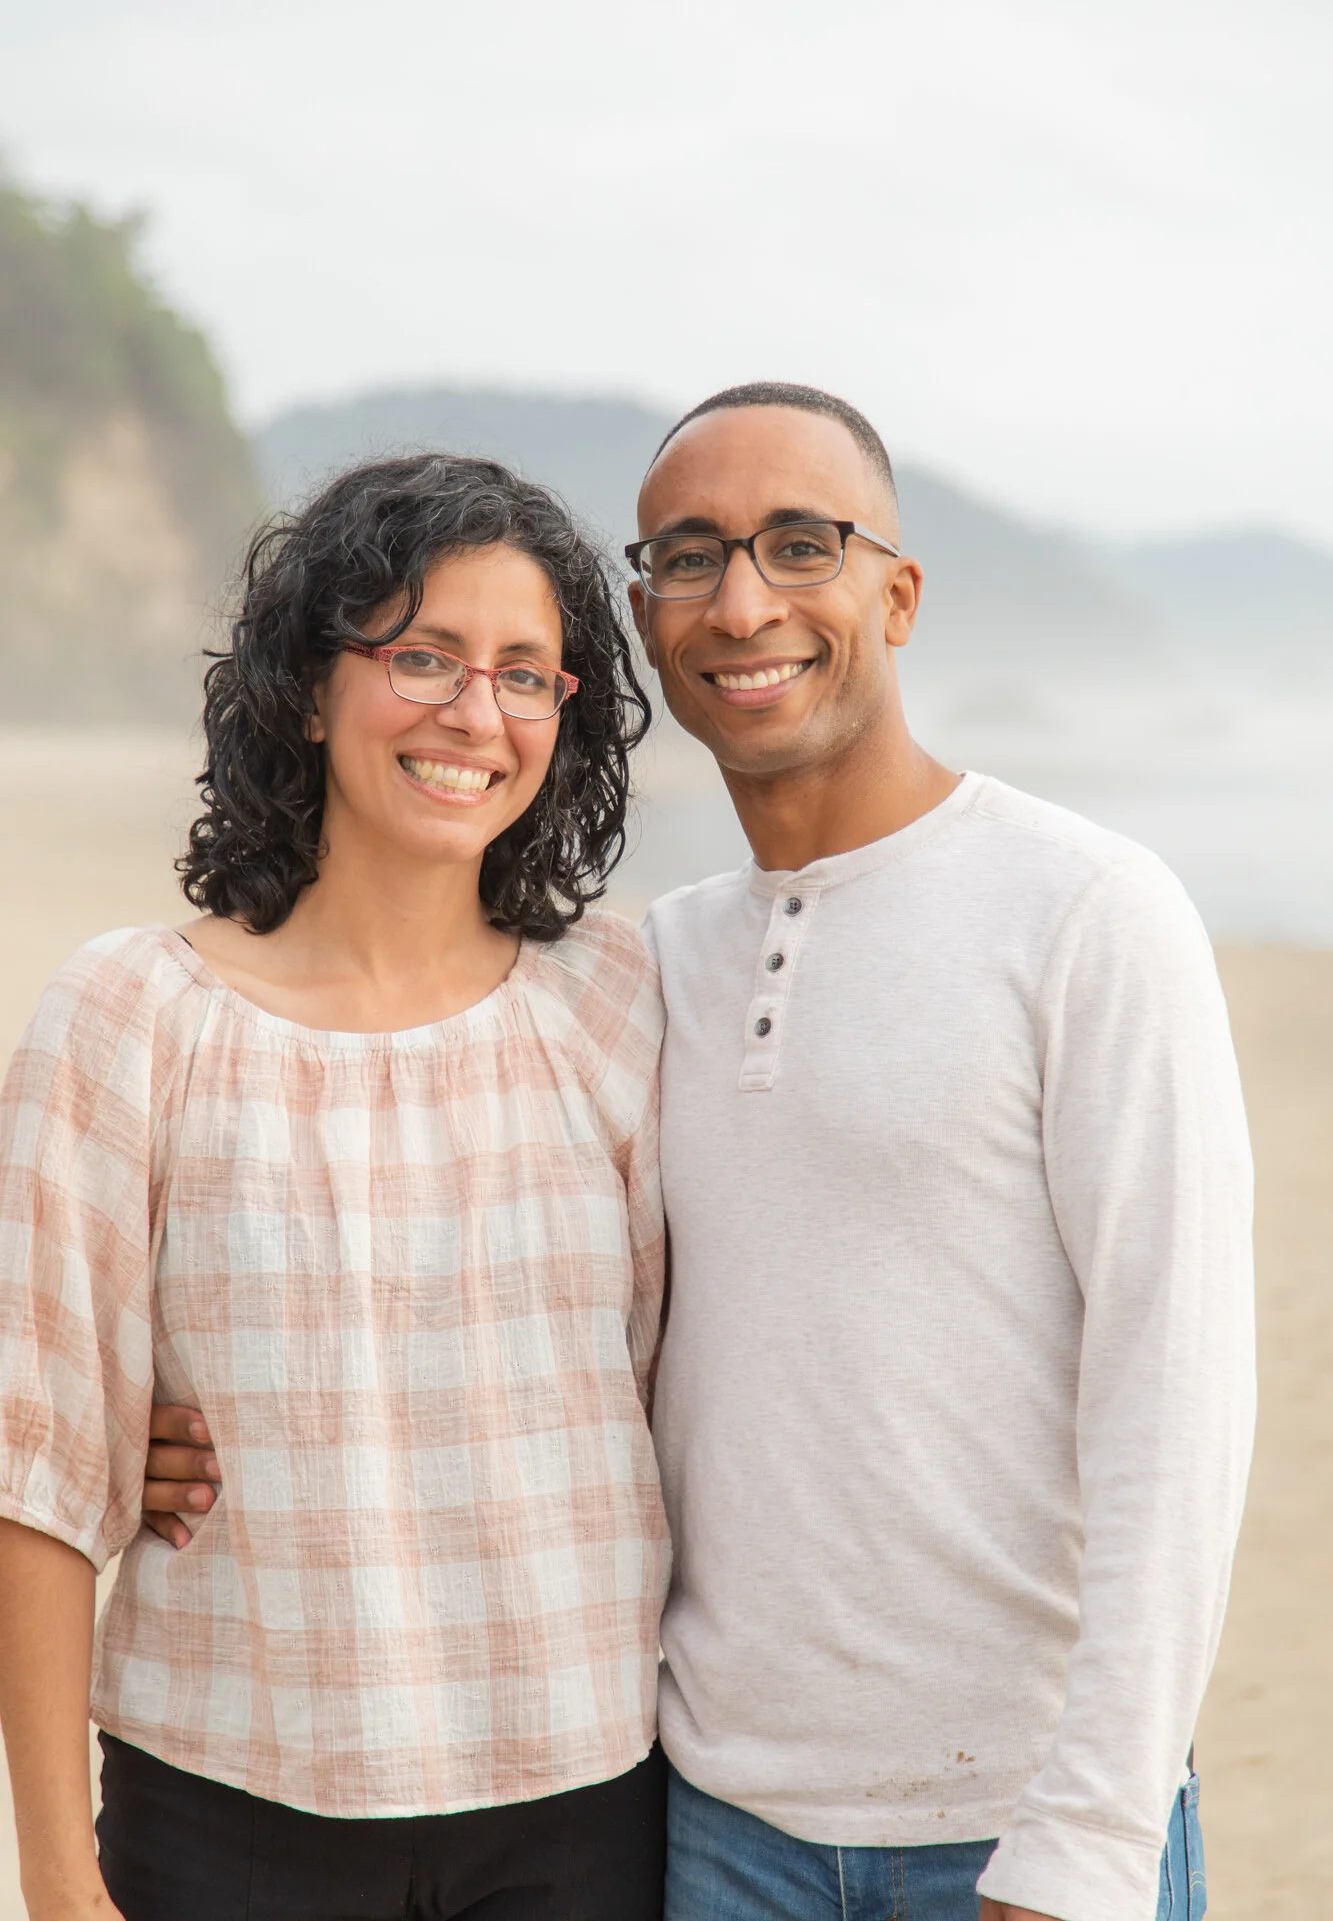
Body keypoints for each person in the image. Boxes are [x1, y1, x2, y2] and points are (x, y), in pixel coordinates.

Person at [142, 385, 1255, 1921]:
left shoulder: (1087, 913)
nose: (743, 603)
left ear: (899, 592)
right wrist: (169, 1419)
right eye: (687, 556)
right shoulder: (646, 968)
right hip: (711, 1822)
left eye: (803, 546)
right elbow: (497, 1309)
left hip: (1016, 1820)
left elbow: (1175, 1392)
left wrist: (1096, 1829)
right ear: (649, 622)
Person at [0, 454, 671, 1921]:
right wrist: (57, 1878)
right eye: (422, 656)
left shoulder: (618, 1000)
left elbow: (672, 1376)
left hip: (581, 1794)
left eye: (523, 673)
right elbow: (36, 1466)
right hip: (231, 1797)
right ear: (308, 686)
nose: (473, 714)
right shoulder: (132, 1015)